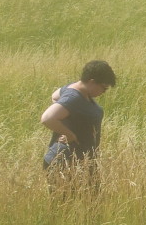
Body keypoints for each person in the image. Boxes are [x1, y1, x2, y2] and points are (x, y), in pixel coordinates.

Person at [40, 60, 116, 191]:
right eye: (103, 88)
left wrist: (66, 120)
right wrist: (69, 134)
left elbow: (55, 96)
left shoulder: (77, 91)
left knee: (90, 201)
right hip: (66, 162)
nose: (104, 92)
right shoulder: (74, 97)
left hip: (82, 162)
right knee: (71, 203)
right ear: (92, 82)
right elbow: (47, 118)